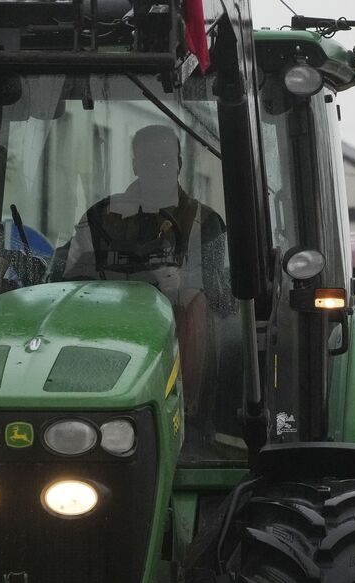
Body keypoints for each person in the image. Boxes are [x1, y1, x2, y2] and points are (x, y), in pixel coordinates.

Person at [58, 124, 231, 447]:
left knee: (198, 305)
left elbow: (220, 296)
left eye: (166, 161)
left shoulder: (204, 223)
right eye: (150, 162)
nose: (159, 169)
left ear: (179, 163)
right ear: (136, 164)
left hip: (176, 329)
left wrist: (181, 286)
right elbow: (68, 276)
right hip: (106, 324)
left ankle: (192, 417)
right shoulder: (100, 217)